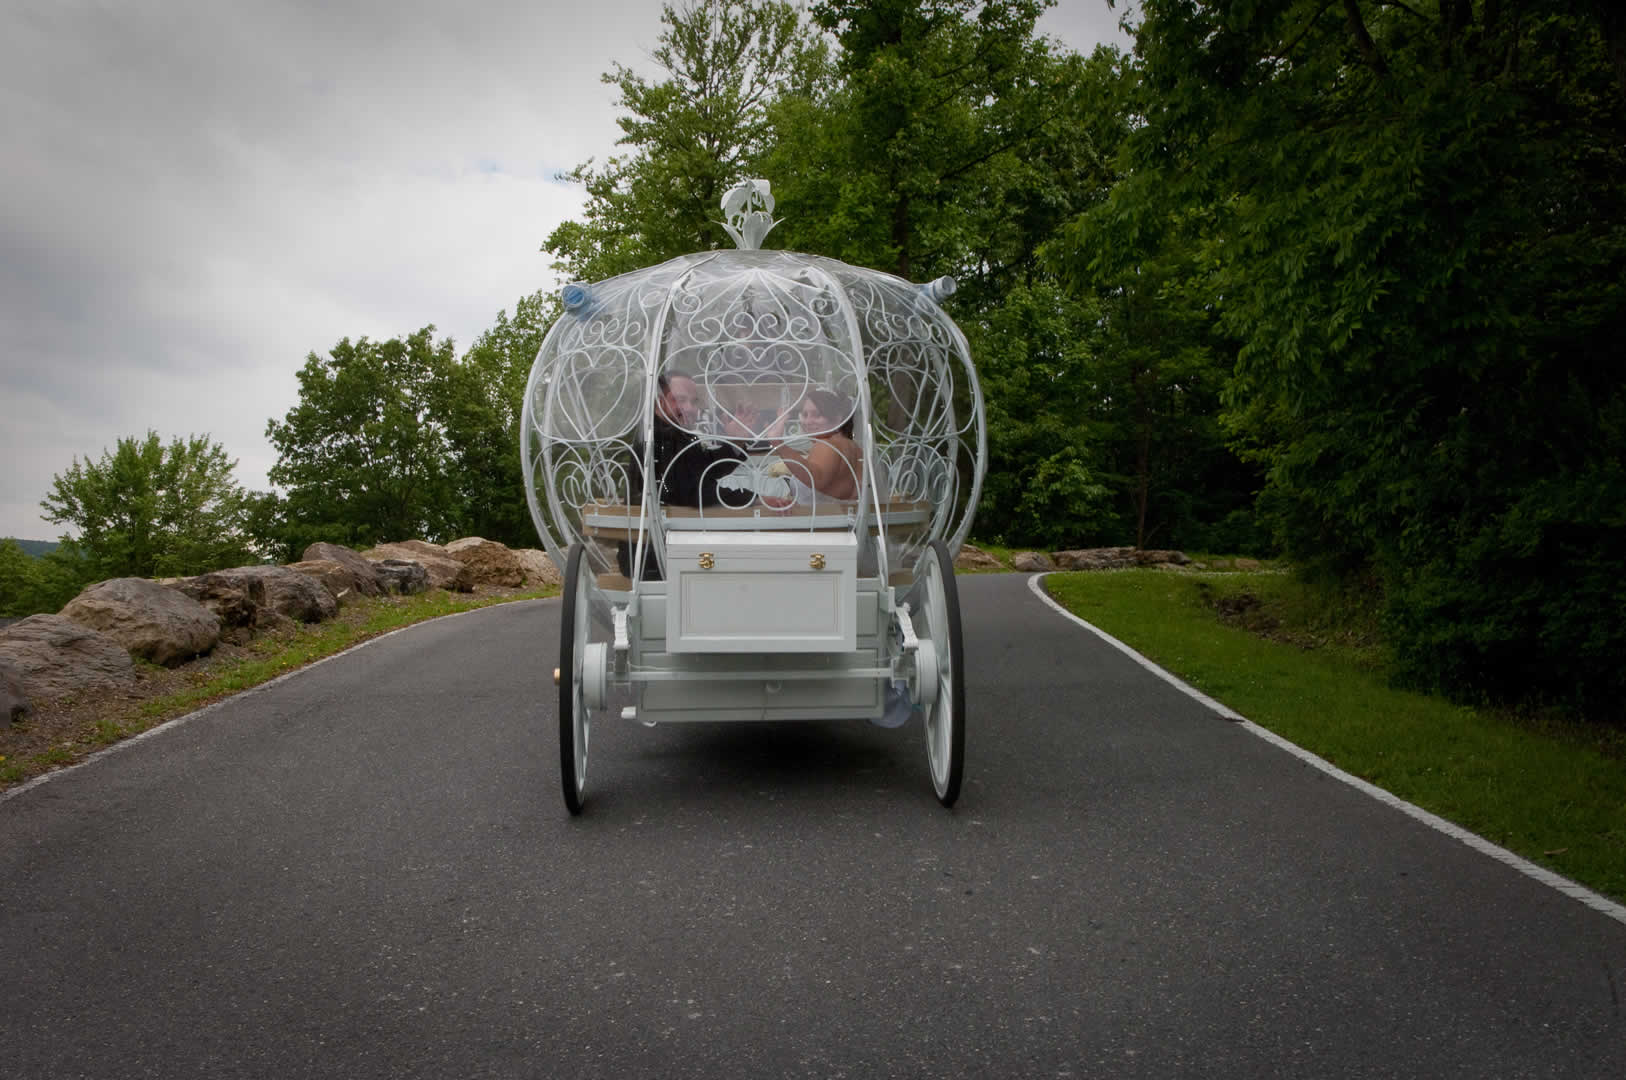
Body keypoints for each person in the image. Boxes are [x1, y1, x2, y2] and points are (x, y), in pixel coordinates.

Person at [617, 370, 746, 578]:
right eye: (680, 400)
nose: (690, 408)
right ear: (660, 402)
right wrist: (754, 500)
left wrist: (734, 442)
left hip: (659, 548)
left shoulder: (672, 433)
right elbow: (693, 492)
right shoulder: (659, 439)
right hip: (653, 558)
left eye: (694, 402)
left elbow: (701, 470)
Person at [764, 388, 863, 505]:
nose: (808, 421)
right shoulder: (854, 447)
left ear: (837, 418)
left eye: (817, 415)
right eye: (805, 414)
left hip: (821, 521)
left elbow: (815, 478)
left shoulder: (827, 444)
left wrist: (778, 444)